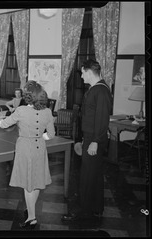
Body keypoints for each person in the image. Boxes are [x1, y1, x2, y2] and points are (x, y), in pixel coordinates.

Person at [0, 80, 55, 229]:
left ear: (27, 96)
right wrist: (41, 137)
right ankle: (31, 210)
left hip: (25, 149)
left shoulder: (21, 110)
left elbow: (4, 124)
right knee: (35, 181)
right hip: (40, 148)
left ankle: (32, 218)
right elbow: (51, 135)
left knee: (28, 184)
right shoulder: (47, 112)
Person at [61, 59, 113, 222]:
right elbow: (92, 118)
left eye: (83, 73)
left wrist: (95, 141)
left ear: (89, 72)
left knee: (86, 176)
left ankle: (81, 211)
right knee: (95, 174)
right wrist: (86, 138)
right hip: (91, 137)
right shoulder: (96, 89)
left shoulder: (101, 91)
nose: (82, 76)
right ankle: (96, 207)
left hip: (95, 138)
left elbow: (102, 119)